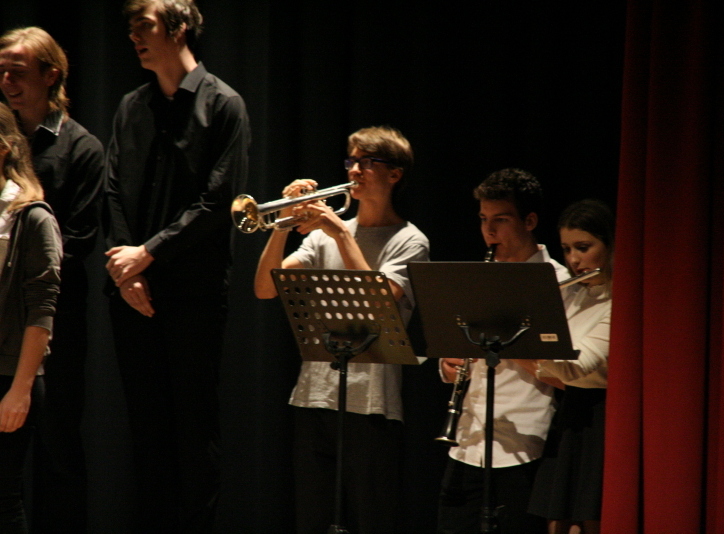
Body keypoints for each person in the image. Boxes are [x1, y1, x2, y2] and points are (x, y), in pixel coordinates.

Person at [103, 0, 250, 531]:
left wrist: (146, 254)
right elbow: (112, 190)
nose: (134, 37)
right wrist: (126, 268)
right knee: (147, 435)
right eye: (131, 29)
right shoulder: (131, 105)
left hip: (193, 294)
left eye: (143, 26)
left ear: (179, 27)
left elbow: (218, 203)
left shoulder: (224, 104)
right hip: (132, 292)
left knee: (193, 432)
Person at [254, 126, 429, 534]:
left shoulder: (410, 241)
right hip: (313, 397)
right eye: (351, 161)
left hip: (372, 405)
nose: (354, 171)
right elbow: (265, 288)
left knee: (371, 519)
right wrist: (282, 223)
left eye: (367, 162)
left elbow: (379, 304)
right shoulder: (322, 236)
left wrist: (338, 232)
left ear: (394, 174)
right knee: (312, 520)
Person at [0, 27, 104, 532]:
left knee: (58, 446)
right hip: (4, 322)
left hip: (52, 319)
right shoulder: (3, 137)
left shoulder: (80, 148)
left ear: (52, 75)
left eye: (18, 72)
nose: (6, 82)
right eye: (2, 73)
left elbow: (79, 239)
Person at [437, 168, 569, 534]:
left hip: (523, 447)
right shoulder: (479, 277)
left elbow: (567, 375)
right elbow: (454, 351)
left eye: (501, 220)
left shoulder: (558, 283)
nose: (489, 231)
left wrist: (502, 343)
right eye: (483, 219)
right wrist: (448, 366)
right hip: (467, 442)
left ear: (530, 221)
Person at [522, 199, 614, 534]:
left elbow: (578, 366)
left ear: (611, 245)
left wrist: (523, 338)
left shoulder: (620, 300)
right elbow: (548, 370)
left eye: (583, 248)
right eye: (566, 249)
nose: (573, 260)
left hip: (600, 420)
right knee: (557, 522)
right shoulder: (573, 294)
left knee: (588, 523)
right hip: (569, 413)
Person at [0, 102, 62, 534]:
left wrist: (20, 389)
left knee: (3, 499)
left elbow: (42, 309)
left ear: (4, 147)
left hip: (8, 376)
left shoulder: (31, 217)